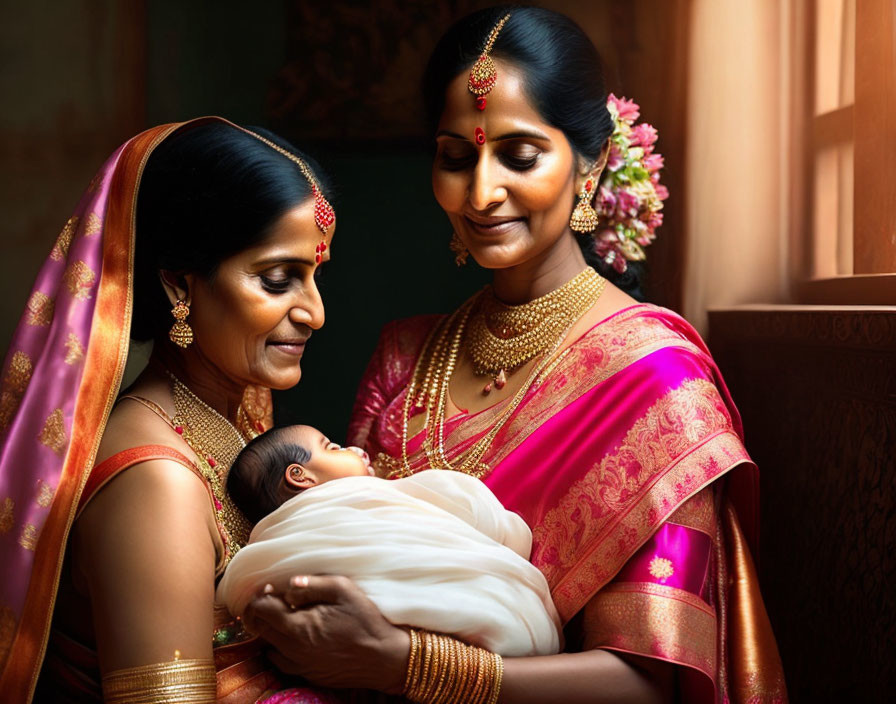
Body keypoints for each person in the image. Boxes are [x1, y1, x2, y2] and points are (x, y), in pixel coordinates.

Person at [242, 7, 788, 704]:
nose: (481, 193)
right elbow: (346, 559)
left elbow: (650, 682)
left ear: (590, 163)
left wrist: (411, 666)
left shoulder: (656, 383)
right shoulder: (404, 357)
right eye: (456, 156)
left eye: (520, 155)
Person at [0, 117, 337, 703]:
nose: (315, 312)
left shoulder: (231, 427)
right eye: (279, 280)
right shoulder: (155, 480)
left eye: (315, 277)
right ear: (181, 287)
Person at [218, 424, 562, 657]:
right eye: (333, 447)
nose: (354, 449)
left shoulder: (272, 542)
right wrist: (507, 529)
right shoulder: (370, 494)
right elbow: (471, 504)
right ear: (300, 477)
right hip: (475, 622)